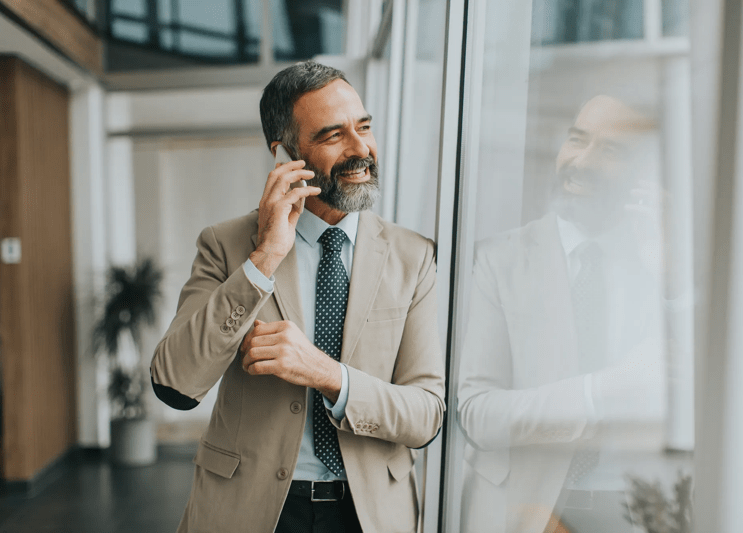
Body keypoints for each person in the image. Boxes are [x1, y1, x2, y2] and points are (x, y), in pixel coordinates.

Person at [151, 61, 445, 533]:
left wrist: (328, 375)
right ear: (285, 154)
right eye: (333, 135)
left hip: (368, 515)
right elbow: (175, 384)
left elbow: (426, 415)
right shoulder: (226, 245)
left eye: (364, 127)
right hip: (249, 511)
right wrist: (264, 258)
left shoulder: (414, 256)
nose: (360, 148)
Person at [458, 95, 676, 533]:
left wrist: (673, 275)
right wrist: (596, 393)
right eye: (577, 140)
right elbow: (477, 414)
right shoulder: (499, 259)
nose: (582, 161)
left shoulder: (666, 262)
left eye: (611, 151)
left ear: (645, 174)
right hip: (524, 508)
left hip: (639, 511)